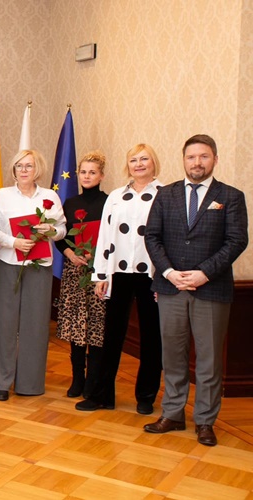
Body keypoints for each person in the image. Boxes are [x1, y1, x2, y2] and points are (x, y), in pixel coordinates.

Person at [142, 134, 248, 447]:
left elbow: (236, 241)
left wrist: (203, 274)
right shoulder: (166, 194)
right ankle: (173, 414)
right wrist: (171, 272)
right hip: (171, 287)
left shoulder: (230, 196)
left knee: (209, 360)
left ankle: (204, 421)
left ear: (215, 159)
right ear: (184, 159)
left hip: (211, 290)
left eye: (203, 156)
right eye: (191, 157)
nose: (197, 162)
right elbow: (152, 237)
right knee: (172, 356)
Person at [75, 145, 163, 415]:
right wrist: (100, 274)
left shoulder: (165, 195)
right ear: (128, 166)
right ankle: (102, 395)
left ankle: (146, 396)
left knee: (151, 338)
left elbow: (169, 238)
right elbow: (105, 238)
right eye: (133, 160)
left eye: (144, 159)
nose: (138, 164)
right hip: (118, 273)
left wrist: (164, 277)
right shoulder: (116, 196)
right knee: (111, 336)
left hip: (152, 274)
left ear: (153, 163)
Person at [0, 149, 66, 401]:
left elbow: (63, 229)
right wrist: (13, 243)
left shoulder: (50, 196)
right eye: (19, 166)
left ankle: (29, 383)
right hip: (9, 263)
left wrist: (51, 229)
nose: (23, 170)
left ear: (37, 169)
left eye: (28, 166)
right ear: (13, 170)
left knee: (35, 324)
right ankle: (0, 381)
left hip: (39, 266)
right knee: (3, 322)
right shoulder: (2, 196)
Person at [54, 151, 108, 400]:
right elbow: (60, 237)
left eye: (92, 172)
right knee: (77, 328)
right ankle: (78, 378)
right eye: (83, 172)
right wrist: (69, 253)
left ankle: (93, 382)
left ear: (101, 175)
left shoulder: (110, 203)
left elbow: (113, 238)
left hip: (100, 274)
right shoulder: (70, 203)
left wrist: (99, 259)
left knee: (96, 328)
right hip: (75, 271)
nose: (87, 176)